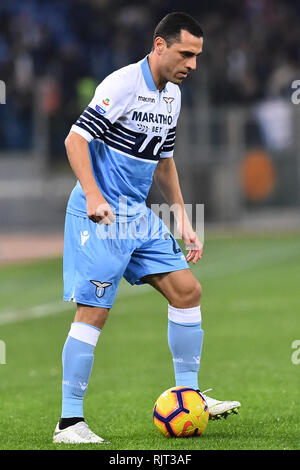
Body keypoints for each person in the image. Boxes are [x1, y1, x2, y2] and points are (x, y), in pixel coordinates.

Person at [53, 11, 240, 444]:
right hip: (100, 215)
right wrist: (95, 196)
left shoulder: (172, 96)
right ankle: (69, 423)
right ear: (160, 45)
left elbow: (164, 161)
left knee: (187, 290)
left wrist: (183, 220)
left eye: (197, 56)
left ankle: (190, 396)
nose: (192, 64)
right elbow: (74, 140)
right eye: (186, 53)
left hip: (136, 217)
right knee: (93, 312)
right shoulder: (120, 85)